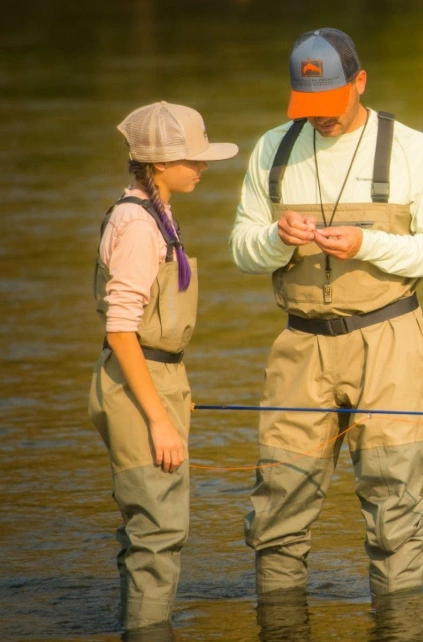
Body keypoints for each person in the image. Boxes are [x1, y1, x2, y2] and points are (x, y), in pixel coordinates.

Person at [229, 28, 423, 598]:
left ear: (360, 83)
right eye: (308, 108)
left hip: (388, 338)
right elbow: (241, 248)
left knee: (394, 507)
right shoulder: (272, 149)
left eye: (331, 105)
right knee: (278, 504)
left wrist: (368, 245)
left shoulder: (412, 149)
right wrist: (277, 241)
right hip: (299, 345)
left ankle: (398, 623)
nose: (321, 119)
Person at [88, 101, 238, 631]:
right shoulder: (138, 225)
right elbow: (121, 329)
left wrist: (175, 390)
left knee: (149, 529)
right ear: (156, 164)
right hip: (138, 382)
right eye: (191, 159)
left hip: (156, 377)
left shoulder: (156, 211)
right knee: (158, 531)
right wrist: (158, 417)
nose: (202, 167)